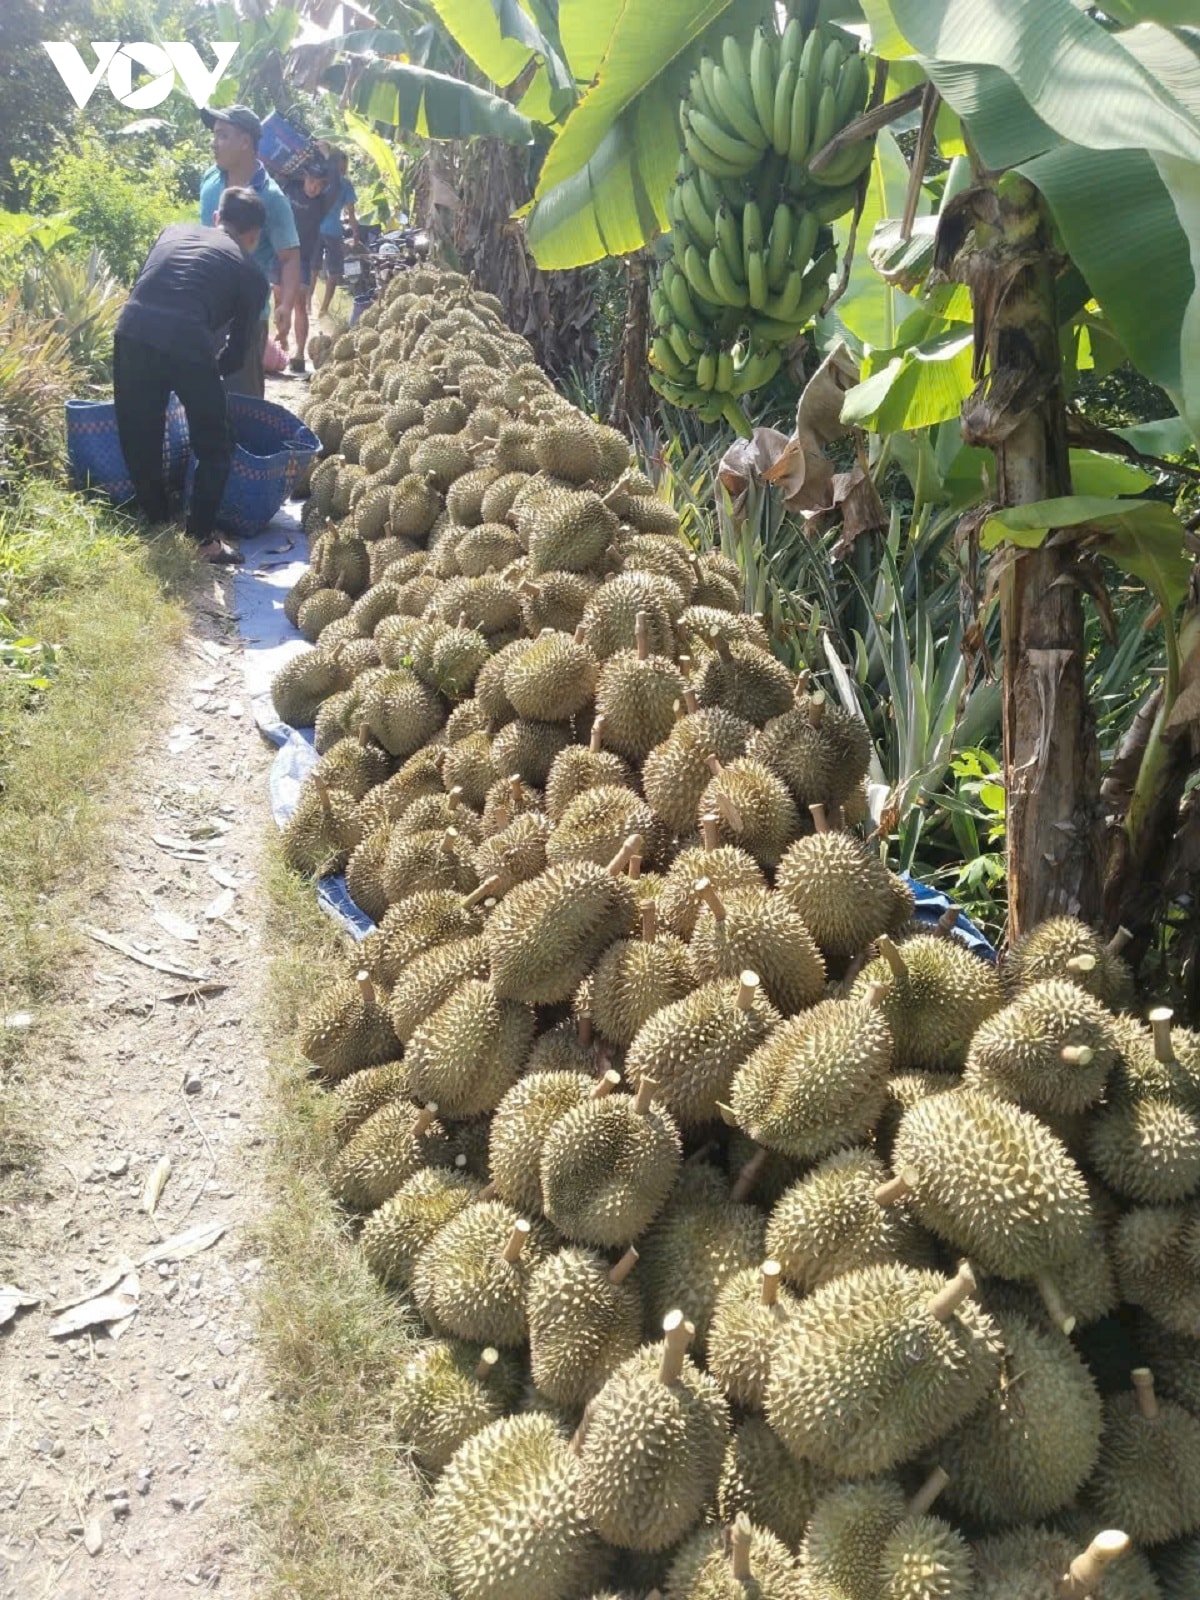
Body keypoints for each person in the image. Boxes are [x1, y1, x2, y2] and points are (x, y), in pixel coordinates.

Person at [112, 188, 268, 566]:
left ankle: (157, 521)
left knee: (140, 432)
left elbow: (150, 285)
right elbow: (237, 351)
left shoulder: (172, 231)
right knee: (216, 441)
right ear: (254, 235)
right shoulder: (251, 273)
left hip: (131, 329)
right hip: (187, 338)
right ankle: (201, 539)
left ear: (217, 218)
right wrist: (205, 380)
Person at [197, 104, 300, 398]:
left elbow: (289, 256)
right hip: (205, 309)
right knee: (202, 396)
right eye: (215, 135)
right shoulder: (209, 180)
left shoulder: (271, 198)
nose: (214, 142)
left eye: (223, 135)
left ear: (245, 142)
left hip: (246, 315)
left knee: (243, 399)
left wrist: (286, 306)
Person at [279, 156, 337, 374]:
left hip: (302, 257)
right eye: (312, 181)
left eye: (320, 184)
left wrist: (325, 153)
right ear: (304, 178)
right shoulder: (289, 187)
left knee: (299, 304)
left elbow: (336, 182)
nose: (315, 187)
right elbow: (277, 170)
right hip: (278, 251)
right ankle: (280, 342)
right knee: (276, 299)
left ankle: (299, 353)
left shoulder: (322, 202)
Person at [313, 148, 359, 321]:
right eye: (344, 163)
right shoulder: (345, 184)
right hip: (333, 231)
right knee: (334, 272)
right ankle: (323, 308)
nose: (345, 167)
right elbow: (351, 214)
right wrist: (355, 233)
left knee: (313, 268)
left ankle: (308, 302)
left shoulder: (320, 179)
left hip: (316, 229)